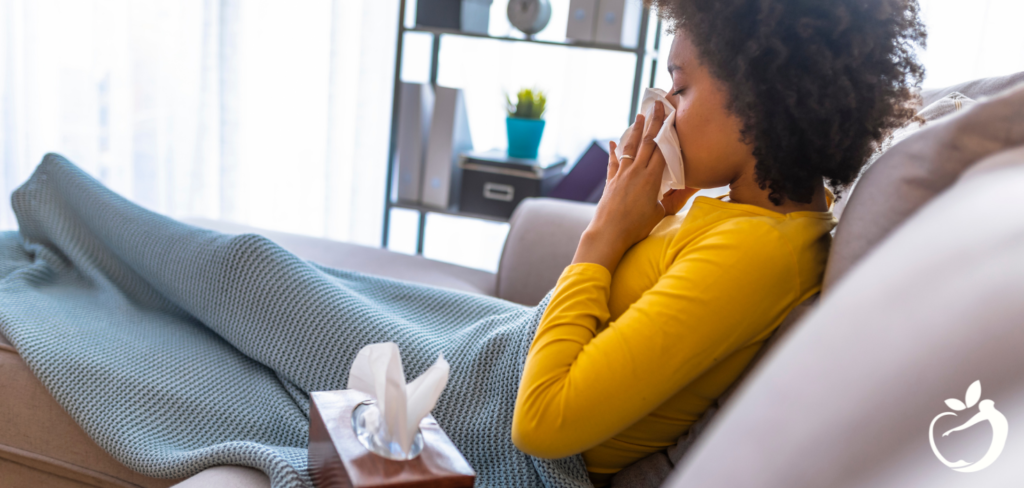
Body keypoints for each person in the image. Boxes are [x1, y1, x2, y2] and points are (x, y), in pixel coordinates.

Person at [511, 0, 925, 484]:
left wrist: (603, 233)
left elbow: (540, 423)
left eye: (681, 87)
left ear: (760, 97)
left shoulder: (756, 254)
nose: (663, 108)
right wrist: (651, 219)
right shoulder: (742, 220)